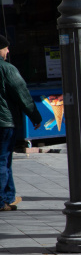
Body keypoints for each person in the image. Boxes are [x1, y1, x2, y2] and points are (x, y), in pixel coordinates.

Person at [0, 35, 42, 211]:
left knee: (5, 159)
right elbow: (21, 93)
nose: (8, 51)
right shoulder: (7, 69)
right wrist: (35, 116)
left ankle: (8, 197)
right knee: (3, 160)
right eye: (6, 48)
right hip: (4, 122)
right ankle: (2, 200)